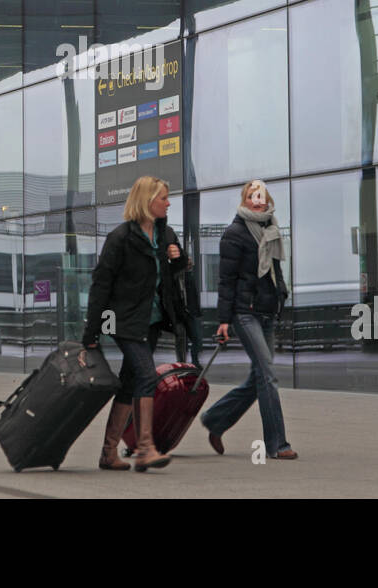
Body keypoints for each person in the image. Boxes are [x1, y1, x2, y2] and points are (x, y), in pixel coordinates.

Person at [83, 175, 187, 472]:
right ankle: (144, 449)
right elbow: (100, 287)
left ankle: (108, 454)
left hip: (151, 320)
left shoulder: (165, 235)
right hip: (122, 320)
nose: (168, 203)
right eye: (164, 198)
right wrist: (92, 334)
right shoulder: (120, 238)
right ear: (147, 201)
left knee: (130, 383)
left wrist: (178, 259)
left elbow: (176, 270)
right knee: (146, 375)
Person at [200, 179, 296, 460]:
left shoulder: (272, 229)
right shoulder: (235, 233)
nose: (258, 200)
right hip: (245, 313)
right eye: (253, 196)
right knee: (268, 374)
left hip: (267, 311)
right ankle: (278, 444)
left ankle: (216, 420)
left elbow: (275, 272)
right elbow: (226, 280)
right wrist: (223, 320)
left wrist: (281, 296)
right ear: (245, 200)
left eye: (262, 196)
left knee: (258, 379)